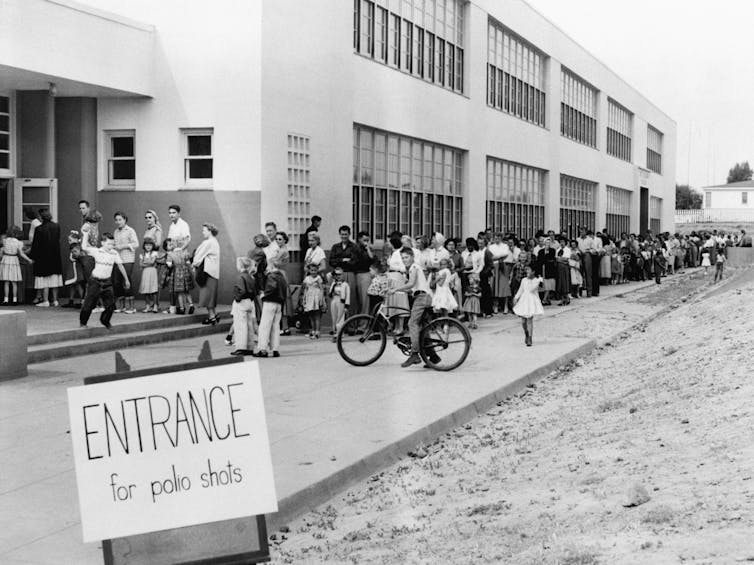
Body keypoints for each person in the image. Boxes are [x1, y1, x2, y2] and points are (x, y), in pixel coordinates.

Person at [387, 248, 434, 368]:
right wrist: (397, 291)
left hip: (422, 297)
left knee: (412, 324)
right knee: (423, 327)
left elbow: (411, 284)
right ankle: (433, 356)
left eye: (406, 257)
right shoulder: (412, 268)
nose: (404, 260)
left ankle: (414, 354)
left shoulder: (414, 267)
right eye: (402, 258)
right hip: (424, 296)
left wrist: (396, 289)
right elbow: (411, 288)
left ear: (412, 257)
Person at [80, 232, 130, 329]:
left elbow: (120, 265)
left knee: (111, 305)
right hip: (95, 281)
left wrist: (126, 279)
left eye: (112, 244)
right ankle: (83, 322)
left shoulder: (114, 253)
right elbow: (84, 247)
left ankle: (105, 321)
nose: (111, 246)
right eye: (109, 244)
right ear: (102, 243)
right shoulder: (97, 251)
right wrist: (85, 234)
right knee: (89, 304)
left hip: (107, 282)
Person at [254, 258, 288, 358]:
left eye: (268, 266)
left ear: (272, 266)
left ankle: (262, 349)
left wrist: (263, 295)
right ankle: (275, 349)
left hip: (270, 302)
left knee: (264, 326)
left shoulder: (272, 276)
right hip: (279, 304)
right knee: (275, 326)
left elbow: (271, 287)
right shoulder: (282, 277)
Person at [30, 209, 63, 307]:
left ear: (41, 217)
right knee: (54, 278)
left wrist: (32, 257)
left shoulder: (39, 228)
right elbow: (58, 240)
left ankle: (45, 300)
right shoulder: (57, 226)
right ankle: (55, 300)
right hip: (55, 256)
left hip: (42, 257)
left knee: (44, 280)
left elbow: (36, 245)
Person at [192, 223, 221, 325]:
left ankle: (212, 316)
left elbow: (198, 255)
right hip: (214, 273)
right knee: (211, 295)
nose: (203, 232)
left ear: (209, 231)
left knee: (207, 295)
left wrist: (194, 264)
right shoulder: (215, 242)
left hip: (208, 272)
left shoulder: (208, 242)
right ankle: (214, 314)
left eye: (204, 230)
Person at [230, 257, 257, 356]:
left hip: (241, 302)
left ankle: (241, 347)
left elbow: (241, 290)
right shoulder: (251, 277)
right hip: (249, 301)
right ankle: (250, 347)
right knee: (249, 325)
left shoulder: (240, 277)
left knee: (240, 325)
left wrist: (237, 298)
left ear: (240, 266)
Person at [113, 212, 139, 314]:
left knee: (126, 281)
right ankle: (122, 306)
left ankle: (131, 307)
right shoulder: (115, 231)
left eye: (120, 219)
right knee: (117, 282)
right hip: (118, 259)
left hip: (128, 259)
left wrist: (123, 246)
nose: (118, 222)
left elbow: (136, 244)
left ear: (125, 220)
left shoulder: (130, 230)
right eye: (116, 220)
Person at [513, 265, 544, 347]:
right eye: (526, 270)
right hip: (524, 300)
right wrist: (516, 298)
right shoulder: (524, 280)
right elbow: (521, 289)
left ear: (533, 272)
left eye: (529, 270)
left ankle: (530, 338)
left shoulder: (536, 280)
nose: (527, 272)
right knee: (523, 321)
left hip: (531, 301)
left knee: (529, 319)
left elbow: (531, 289)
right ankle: (526, 333)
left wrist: (539, 281)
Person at [0, 225, 33, 304]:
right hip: (14, 260)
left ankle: (6, 299)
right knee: (14, 282)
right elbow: (21, 254)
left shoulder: (4, 241)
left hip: (6, 260)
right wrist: (29, 260)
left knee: (6, 282)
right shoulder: (19, 243)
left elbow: (2, 251)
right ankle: (15, 300)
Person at [164, 238, 194, 314]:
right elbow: (188, 262)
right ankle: (191, 305)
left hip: (177, 272)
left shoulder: (170, 254)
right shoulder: (184, 252)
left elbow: (169, 265)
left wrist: (170, 265)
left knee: (179, 292)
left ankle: (182, 308)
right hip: (185, 271)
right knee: (186, 291)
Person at [301, 262, 325, 339]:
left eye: (315, 270)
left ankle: (317, 331)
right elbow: (305, 288)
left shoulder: (318, 278)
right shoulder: (307, 278)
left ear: (317, 270)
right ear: (309, 271)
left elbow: (321, 289)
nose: (313, 272)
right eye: (312, 270)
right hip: (309, 297)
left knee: (317, 315)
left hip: (316, 297)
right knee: (311, 316)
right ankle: (313, 330)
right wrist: (304, 298)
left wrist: (321, 298)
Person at [328, 267, 350, 341]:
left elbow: (348, 296)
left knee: (340, 318)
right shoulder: (333, 283)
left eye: (340, 274)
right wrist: (332, 273)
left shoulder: (345, 284)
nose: (338, 276)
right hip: (334, 300)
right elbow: (328, 276)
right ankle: (335, 333)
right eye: (336, 275)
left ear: (343, 275)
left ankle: (339, 334)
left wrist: (347, 306)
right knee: (334, 317)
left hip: (341, 301)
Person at [138, 238, 160, 312]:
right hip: (145, 272)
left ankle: (155, 306)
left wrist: (145, 262)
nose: (148, 247)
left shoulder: (154, 253)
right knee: (146, 289)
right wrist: (149, 263)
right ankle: (147, 306)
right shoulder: (142, 254)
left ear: (152, 246)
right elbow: (140, 264)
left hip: (152, 272)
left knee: (154, 289)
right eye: (146, 245)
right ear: (144, 246)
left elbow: (152, 262)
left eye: (150, 245)